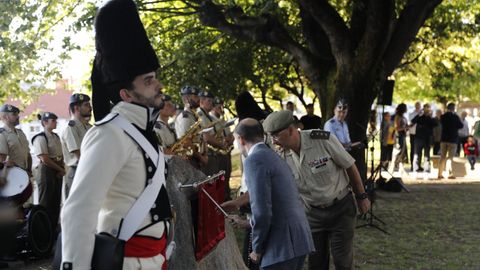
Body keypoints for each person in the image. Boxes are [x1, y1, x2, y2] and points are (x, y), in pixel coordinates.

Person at [60, 0, 172, 269]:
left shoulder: (142, 131)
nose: (158, 85)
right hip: (127, 261)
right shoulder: (108, 135)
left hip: (154, 258)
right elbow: (79, 211)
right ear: (125, 94)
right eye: (148, 81)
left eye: (154, 77)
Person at [263, 110, 371, 270]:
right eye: (270, 136)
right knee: (316, 263)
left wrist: (361, 197)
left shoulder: (321, 139)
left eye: (276, 135)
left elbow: (350, 166)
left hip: (340, 208)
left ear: (291, 130)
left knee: (343, 262)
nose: (273, 140)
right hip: (311, 214)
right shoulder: (279, 154)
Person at [232, 118, 314, 270]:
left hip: (280, 246)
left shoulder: (254, 160)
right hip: (297, 240)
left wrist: (256, 248)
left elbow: (262, 211)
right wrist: (247, 223)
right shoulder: (272, 155)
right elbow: (278, 203)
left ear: (241, 139)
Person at [31, 112, 65, 231]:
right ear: (45, 123)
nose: (56, 122)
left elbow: (60, 155)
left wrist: (61, 168)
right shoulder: (40, 138)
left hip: (57, 168)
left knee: (56, 202)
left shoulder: (55, 136)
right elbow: (45, 159)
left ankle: (53, 229)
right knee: (45, 202)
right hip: (47, 170)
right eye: (53, 120)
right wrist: (60, 169)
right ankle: (43, 231)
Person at [0, 104, 33, 209]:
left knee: (24, 208)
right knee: (12, 209)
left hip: (24, 175)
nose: (18, 116)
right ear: (4, 117)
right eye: (14, 114)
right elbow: (2, 158)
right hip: (11, 178)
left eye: (17, 113)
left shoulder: (20, 133)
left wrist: (29, 170)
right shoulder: (2, 134)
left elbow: (28, 154)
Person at [60, 93, 92, 199]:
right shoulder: (71, 128)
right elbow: (78, 154)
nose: (90, 108)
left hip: (88, 169)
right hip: (77, 170)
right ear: (77, 108)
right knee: (74, 207)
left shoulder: (88, 127)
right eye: (86, 105)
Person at [174, 85, 208, 168]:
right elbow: (185, 142)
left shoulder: (193, 115)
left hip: (197, 158)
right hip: (191, 160)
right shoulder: (184, 117)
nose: (198, 99)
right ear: (186, 99)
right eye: (195, 96)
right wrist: (200, 157)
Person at [209, 97, 234, 200]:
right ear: (213, 107)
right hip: (217, 154)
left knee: (227, 176)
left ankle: (227, 197)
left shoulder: (223, 120)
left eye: (221, 106)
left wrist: (230, 138)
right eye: (218, 106)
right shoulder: (210, 120)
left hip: (226, 152)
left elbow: (229, 134)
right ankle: (222, 200)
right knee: (220, 178)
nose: (221, 108)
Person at [197, 90, 226, 175]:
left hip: (214, 153)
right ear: (201, 101)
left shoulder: (209, 116)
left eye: (212, 100)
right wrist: (221, 145)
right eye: (209, 100)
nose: (211, 103)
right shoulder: (199, 115)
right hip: (207, 154)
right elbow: (206, 137)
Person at [437, 103, 464, 179]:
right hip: (453, 139)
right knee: (450, 157)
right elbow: (461, 126)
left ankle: (440, 173)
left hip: (444, 139)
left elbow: (441, 122)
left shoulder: (443, 116)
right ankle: (450, 173)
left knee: (442, 157)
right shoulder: (455, 117)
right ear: (453, 108)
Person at [411, 104, 437, 174]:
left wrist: (431, 116)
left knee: (426, 155)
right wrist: (419, 114)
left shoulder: (430, 118)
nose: (427, 110)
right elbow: (413, 121)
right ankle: (416, 168)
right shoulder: (420, 117)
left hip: (427, 139)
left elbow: (435, 124)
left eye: (428, 109)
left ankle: (426, 168)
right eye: (425, 108)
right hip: (418, 137)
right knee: (417, 154)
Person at [389, 103, 409, 174]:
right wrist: (405, 128)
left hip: (403, 136)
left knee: (403, 152)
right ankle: (392, 168)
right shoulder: (398, 117)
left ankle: (401, 169)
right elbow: (397, 128)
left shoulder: (403, 117)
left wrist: (407, 127)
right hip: (398, 136)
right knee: (397, 152)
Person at [408, 101, 422, 171]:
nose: (418, 107)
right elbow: (412, 122)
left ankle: (418, 165)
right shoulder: (411, 114)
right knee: (413, 149)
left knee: (419, 150)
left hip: (420, 134)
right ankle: (412, 165)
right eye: (417, 105)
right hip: (413, 133)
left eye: (419, 105)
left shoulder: (422, 115)